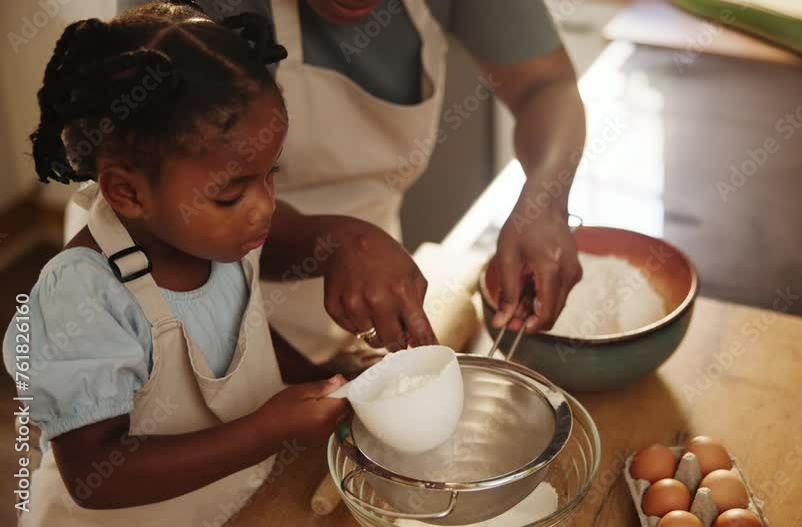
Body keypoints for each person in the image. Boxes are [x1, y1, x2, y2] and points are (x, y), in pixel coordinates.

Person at [0, 3, 424, 523]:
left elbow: (241, 331)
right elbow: (98, 474)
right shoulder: (84, 297)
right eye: (230, 194)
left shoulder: (216, 244)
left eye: (270, 175)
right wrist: (269, 430)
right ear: (128, 192)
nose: (265, 206)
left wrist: (318, 374)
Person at [105, 0, 588, 369]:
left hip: (359, 310)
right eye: (236, 189)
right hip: (181, 312)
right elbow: (174, 215)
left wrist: (544, 198)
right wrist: (332, 242)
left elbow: (545, 86)